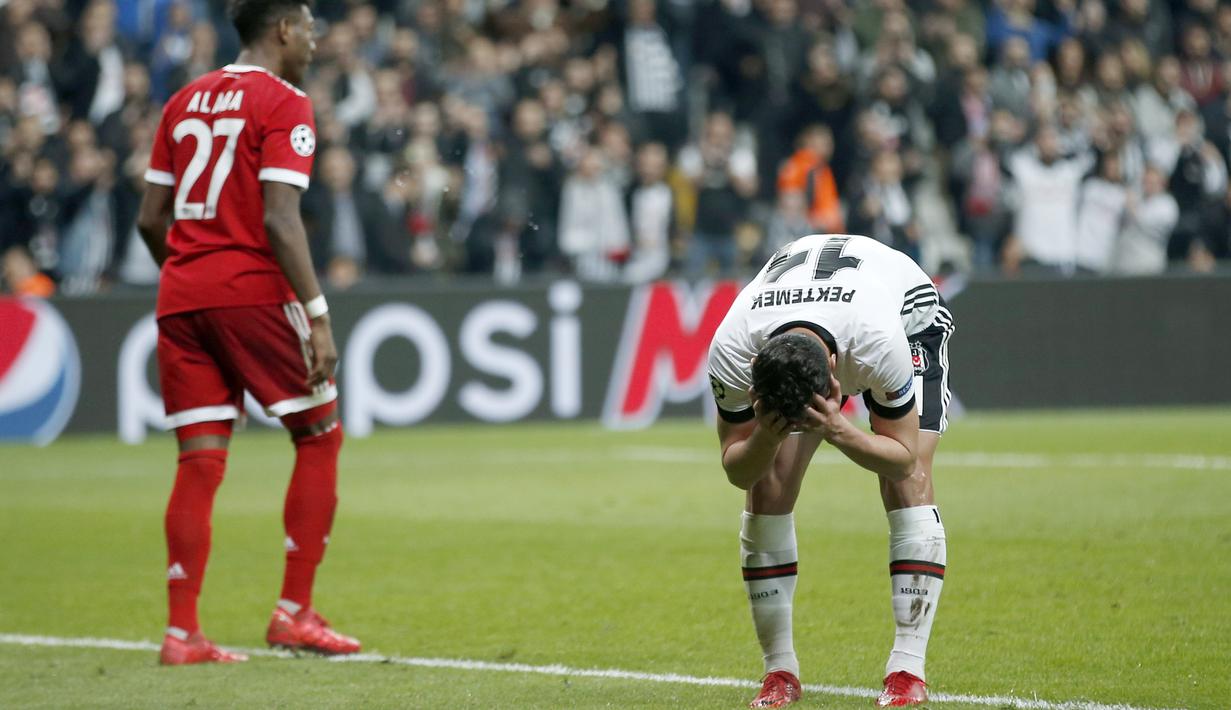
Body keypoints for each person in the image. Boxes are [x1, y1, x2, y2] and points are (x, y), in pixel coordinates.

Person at [135, 0, 360, 665]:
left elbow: (152, 218)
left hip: (182, 294)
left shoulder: (182, 101)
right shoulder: (285, 102)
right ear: (284, 28)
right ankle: (294, 612)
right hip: (251, 290)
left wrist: (191, 274)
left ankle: (182, 633)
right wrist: (317, 315)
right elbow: (280, 219)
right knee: (320, 432)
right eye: (310, 28)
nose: (316, 42)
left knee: (199, 460)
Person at [707, 233, 953, 708]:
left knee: (909, 480)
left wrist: (839, 429)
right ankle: (779, 672)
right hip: (813, 314)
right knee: (768, 488)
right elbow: (739, 470)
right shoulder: (734, 348)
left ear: (837, 376)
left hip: (907, 315)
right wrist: (768, 436)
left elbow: (900, 455)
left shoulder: (880, 344)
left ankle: (907, 671)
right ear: (756, 371)